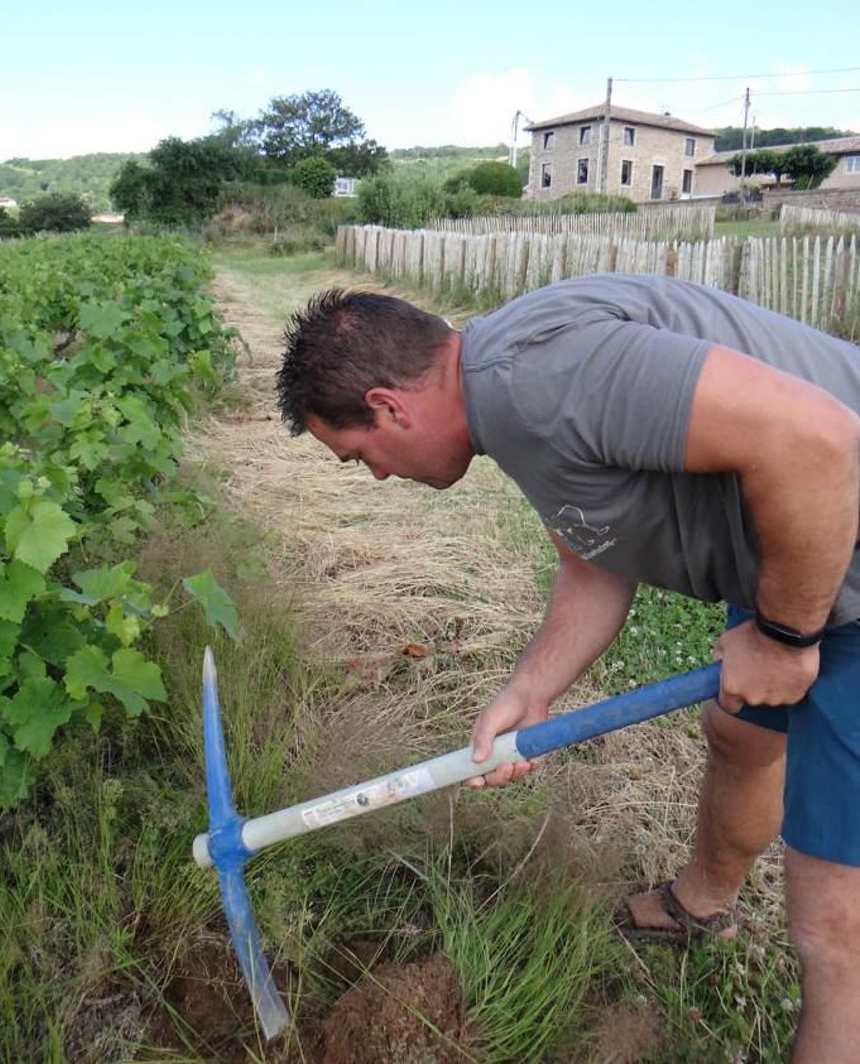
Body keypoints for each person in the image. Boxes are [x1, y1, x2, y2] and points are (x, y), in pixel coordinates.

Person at [276, 276, 860, 1063]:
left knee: (835, 926)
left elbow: (818, 440)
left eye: (359, 456)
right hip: (798, 542)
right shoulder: (500, 389)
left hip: (837, 540)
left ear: (388, 406)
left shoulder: (538, 382)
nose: (377, 475)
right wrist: (532, 688)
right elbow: (595, 558)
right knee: (739, 730)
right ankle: (700, 905)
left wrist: (787, 638)